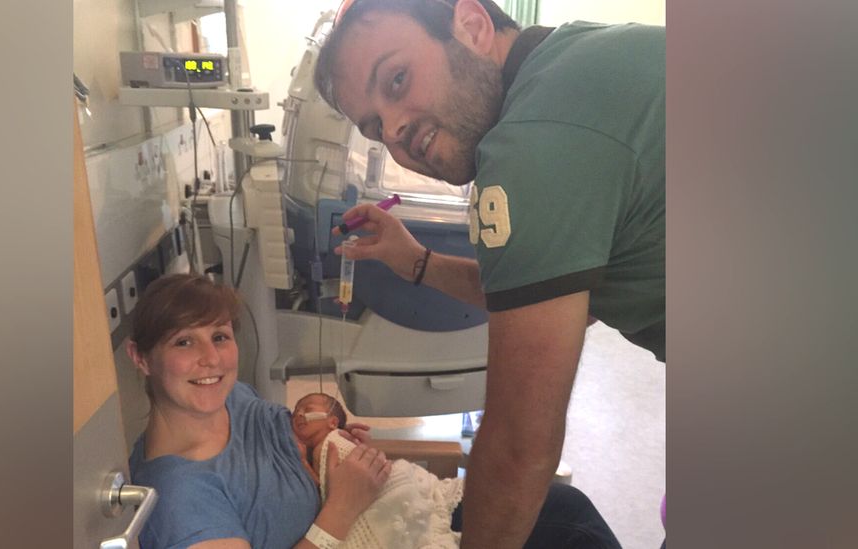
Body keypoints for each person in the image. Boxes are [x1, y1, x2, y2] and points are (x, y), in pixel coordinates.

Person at [314, 0, 665, 547]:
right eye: (375, 127)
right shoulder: (578, 56)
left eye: (398, 79)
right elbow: (567, 296)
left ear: (473, 25)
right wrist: (414, 261)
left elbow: (521, 445)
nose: (397, 128)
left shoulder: (533, 140)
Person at [125, 273, 392, 549]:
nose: (212, 359)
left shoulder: (234, 397)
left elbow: (284, 448)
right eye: (184, 342)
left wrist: (325, 444)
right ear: (141, 358)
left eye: (219, 337)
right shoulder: (177, 497)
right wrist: (344, 506)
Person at [291, 392, 464, 548]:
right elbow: (324, 485)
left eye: (307, 409)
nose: (298, 414)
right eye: (296, 411)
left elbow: (321, 481)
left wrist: (303, 461)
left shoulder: (328, 446)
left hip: (390, 485)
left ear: (333, 422)